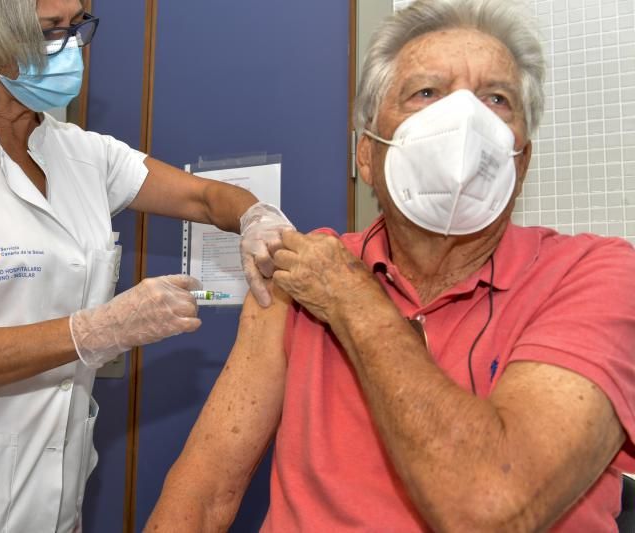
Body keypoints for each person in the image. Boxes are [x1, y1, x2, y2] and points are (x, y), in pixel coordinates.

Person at [146, 0, 635, 531]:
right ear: (366, 155)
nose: (464, 122)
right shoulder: (303, 273)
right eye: (426, 93)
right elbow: (204, 492)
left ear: (521, 159)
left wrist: (351, 297)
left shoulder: (595, 275)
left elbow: (493, 506)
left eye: (496, 98)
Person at [0, 0, 294, 531]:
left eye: (78, 25)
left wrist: (256, 217)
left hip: (49, 502)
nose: (73, 46)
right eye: (51, 30)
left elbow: (205, 199)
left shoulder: (81, 154)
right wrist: (96, 330)